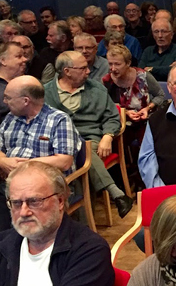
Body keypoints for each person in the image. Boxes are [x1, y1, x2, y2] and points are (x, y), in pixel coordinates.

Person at [44, 50, 134, 218]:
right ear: (67, 71)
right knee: (76, 156)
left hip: (90, 139)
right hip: (58, 143)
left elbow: (112, 117)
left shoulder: (96, 89)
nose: (88, 71)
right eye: (83, 68)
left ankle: (81, 223)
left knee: (81, 150)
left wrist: (107, 136)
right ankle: (116, 194)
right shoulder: (46, 93)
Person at [0, 75, 82, 230]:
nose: (5, 102)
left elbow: (64, 161)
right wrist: (4, 162)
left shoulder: (59, 120)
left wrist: (26, 165)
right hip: (8, 181)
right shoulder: (11, 118)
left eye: (8, 98)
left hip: (43, 185)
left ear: (26, 101)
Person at [103, 44, 165, 144]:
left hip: (145, 120)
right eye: (110, 64)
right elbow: (106, 106)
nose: (113, 68)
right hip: (121, 123)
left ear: (128, 63)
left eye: (117, 64)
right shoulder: (107, 81)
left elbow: (160, 95)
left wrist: (147, 108)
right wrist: (126, 113)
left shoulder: (142, 76)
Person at [0, 42, 29, 121]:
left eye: (24, 56)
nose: (25, 59)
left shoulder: (30, 83)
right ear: (3, 60)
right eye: (19, 56)